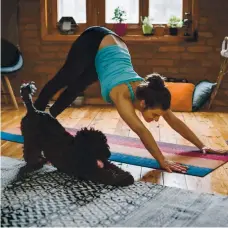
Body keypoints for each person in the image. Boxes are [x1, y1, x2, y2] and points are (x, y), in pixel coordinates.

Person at [34, 26, 227, 173]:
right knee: (66, 78)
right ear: (143, 104)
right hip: (96, 39)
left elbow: (174, 120)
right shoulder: (122, 96)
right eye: (156, 115)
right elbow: (142, 131)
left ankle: (47, 118)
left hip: (113, 49)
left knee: (76, 88)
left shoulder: (152, 94)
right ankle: (34, 115)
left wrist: (202, 145)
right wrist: (162, 161)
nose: (158, 119)